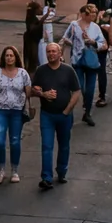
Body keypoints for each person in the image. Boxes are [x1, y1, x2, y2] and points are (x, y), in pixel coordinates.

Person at [29, 39, 80, 190]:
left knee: (64, 146)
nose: (51, 54)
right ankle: (46, 178)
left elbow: (76, 91)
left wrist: (67, 110)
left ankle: (62, 171)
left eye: (53, 51)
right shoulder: (41, 71)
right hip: (47, 115)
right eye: (48, 52)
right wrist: (43, 94)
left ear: (60, 54)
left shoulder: (68, 71)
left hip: (64, 115)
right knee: (47, 146)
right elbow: (33, 90)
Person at [0, 46, 31, 185]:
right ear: (3, 58)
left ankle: (14, 170)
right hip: (0, 109)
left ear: (16, 58)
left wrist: (29, 106)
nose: (9, 58)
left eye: (11, 55)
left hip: (17, 111)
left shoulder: (23, 74)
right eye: (7, 55)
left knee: (14, 140)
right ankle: (1, 170)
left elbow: (28, 93)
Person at [63, 5, 106, 127]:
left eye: (94, 13)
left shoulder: (96, 28)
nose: (93, 16)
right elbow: (65, 38)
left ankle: (87, 113)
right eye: (90, 13)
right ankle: (74, 112)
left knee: (91, 89)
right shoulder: (74, 25)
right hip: (77, 60)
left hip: (91, 61)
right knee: (80, 87)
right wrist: (72, 43)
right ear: (83, 14)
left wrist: (92, 42)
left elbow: (104, 45)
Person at [21, 1, 45, 79]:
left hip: (33, 42)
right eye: (39, 8)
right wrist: (42, 20)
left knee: (33, 63)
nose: (41, 10)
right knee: (33, 63)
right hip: (32, 44)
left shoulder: (31, 18)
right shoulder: (32, 19)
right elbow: (33, 29)